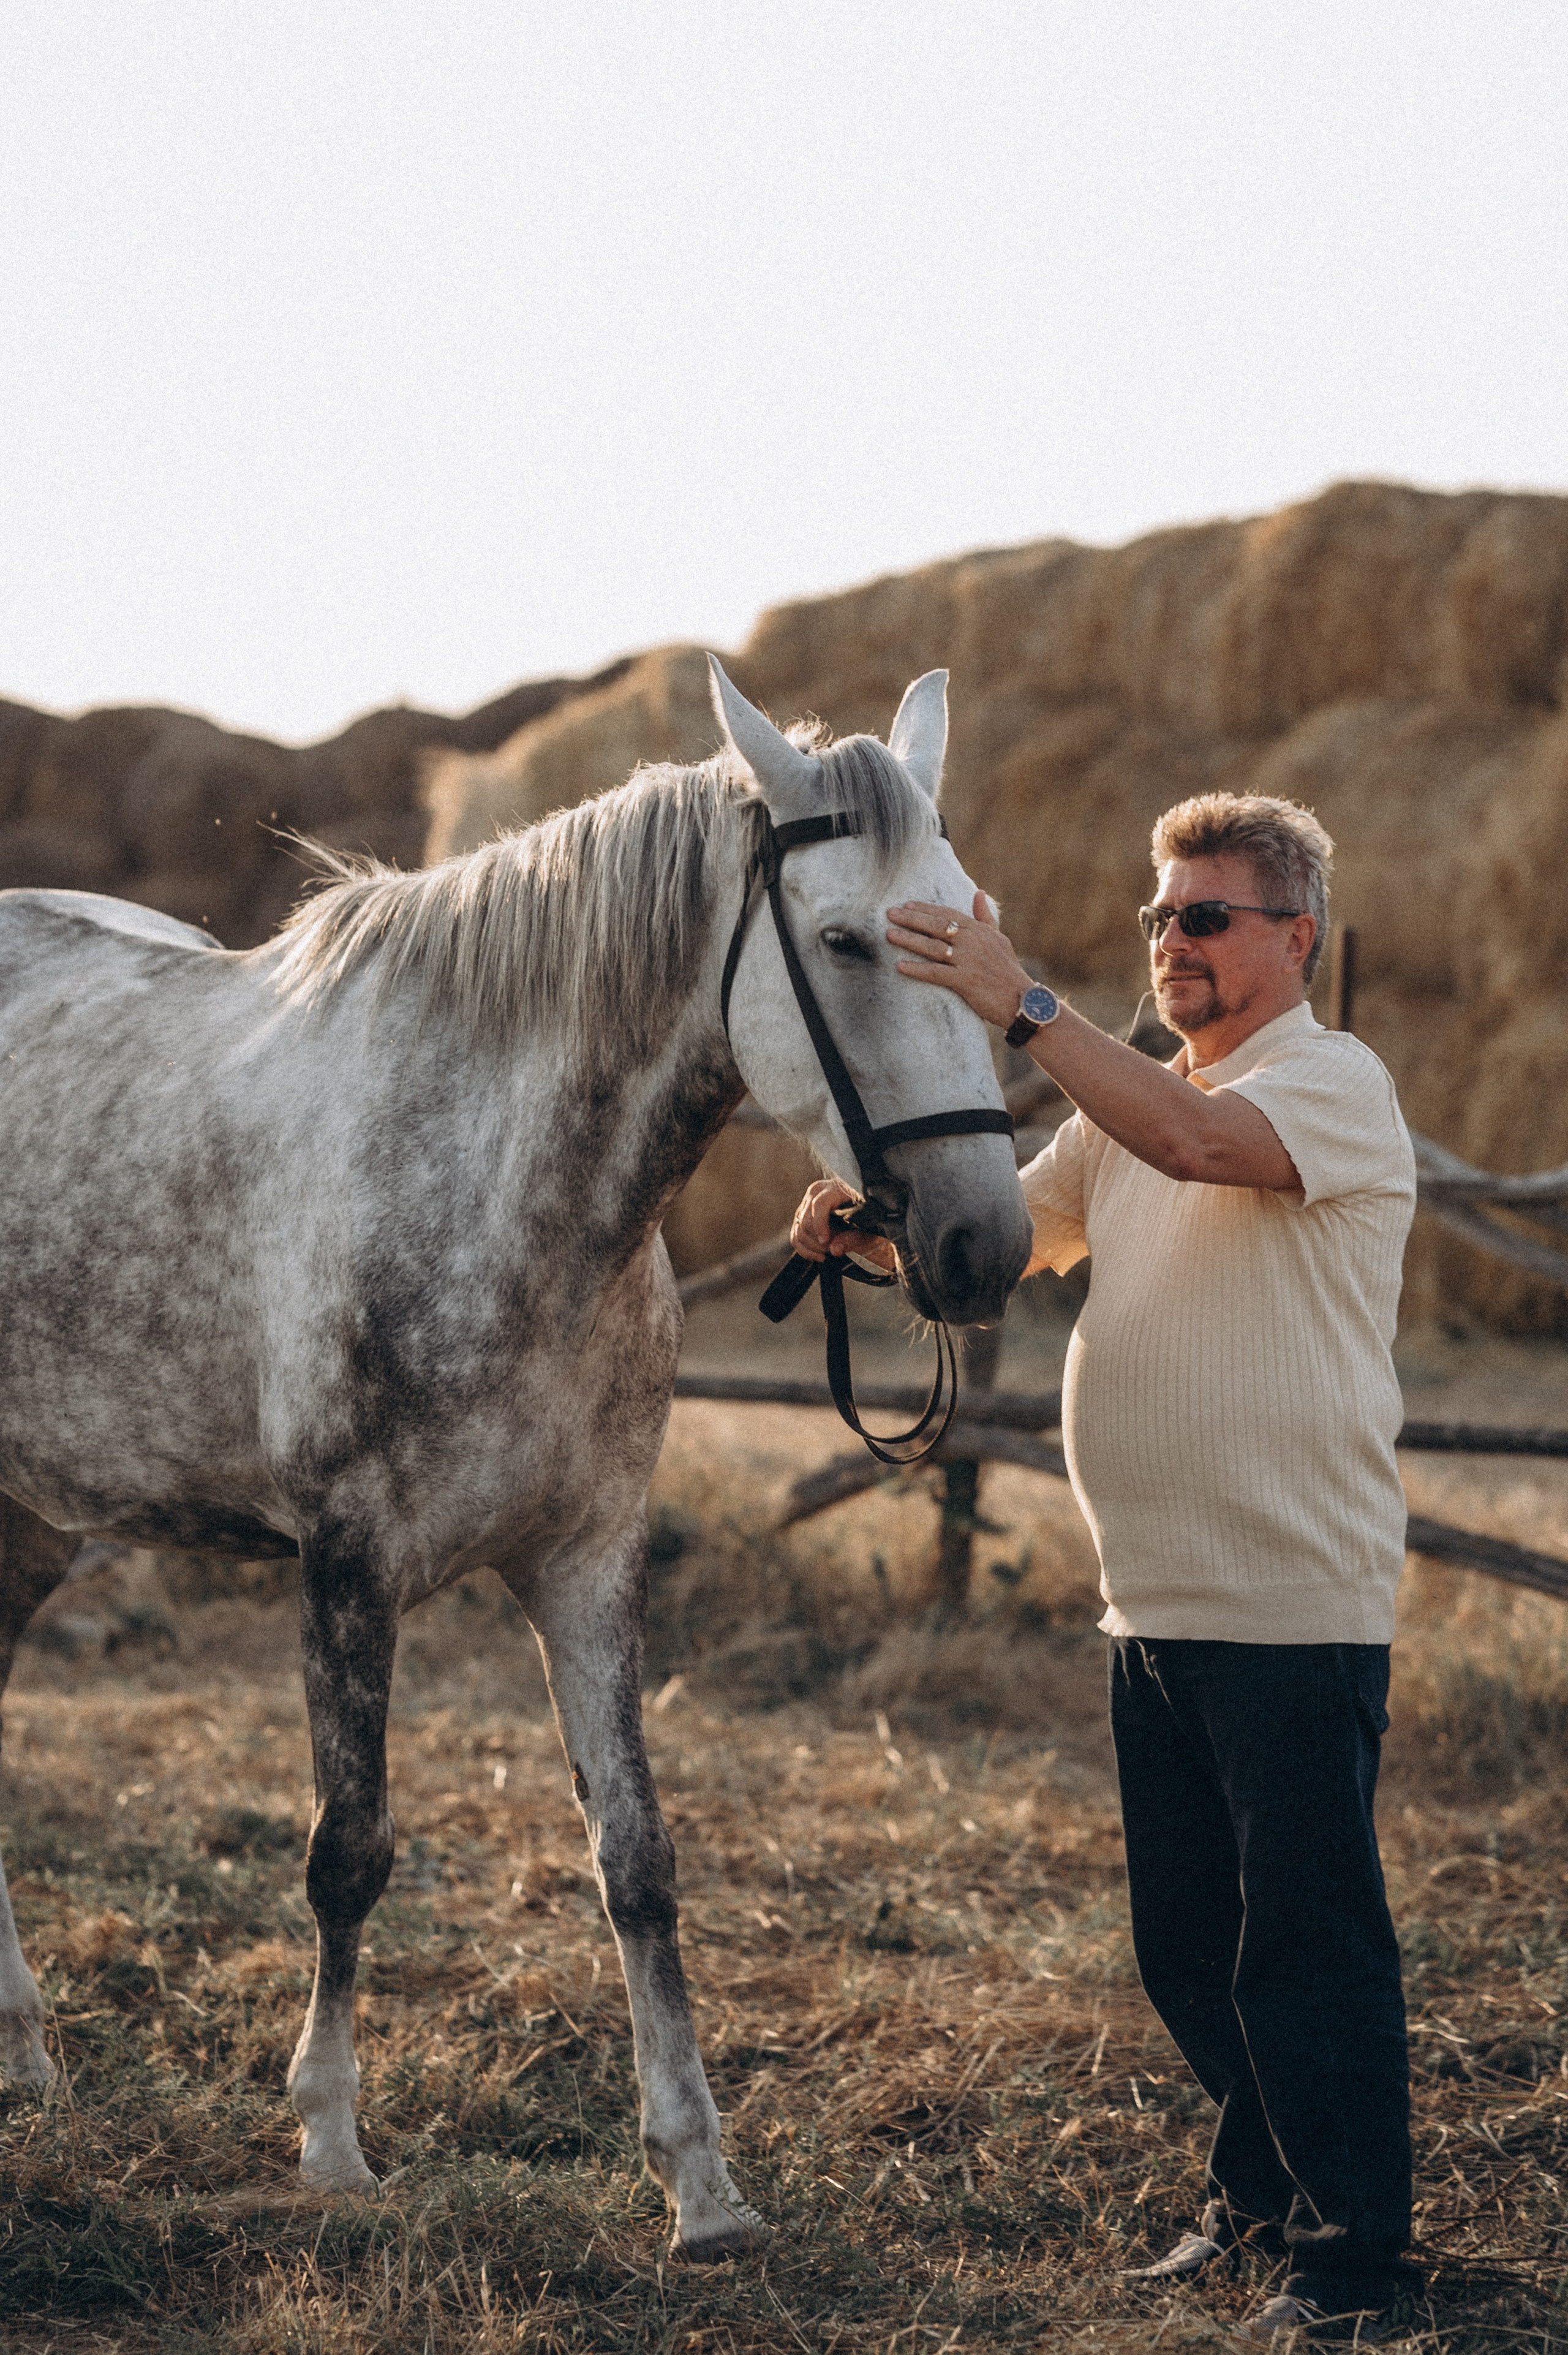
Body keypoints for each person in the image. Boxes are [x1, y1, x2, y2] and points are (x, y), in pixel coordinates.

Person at [791, 793, 1423, 2344]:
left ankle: (1354, 2258)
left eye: (1203, 916)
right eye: (1157, 915)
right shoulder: (1121, 1106)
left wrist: (1019, 999)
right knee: (1183, 1942)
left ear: (1295, 937)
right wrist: (862, 1239)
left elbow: (1196, 1141)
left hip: (1289, 1602)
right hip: (1151, 1604)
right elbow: (1011, 1236)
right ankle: (1263, 2190)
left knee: (1304, 1944)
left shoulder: (1324, 1081)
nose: (1170, 940)